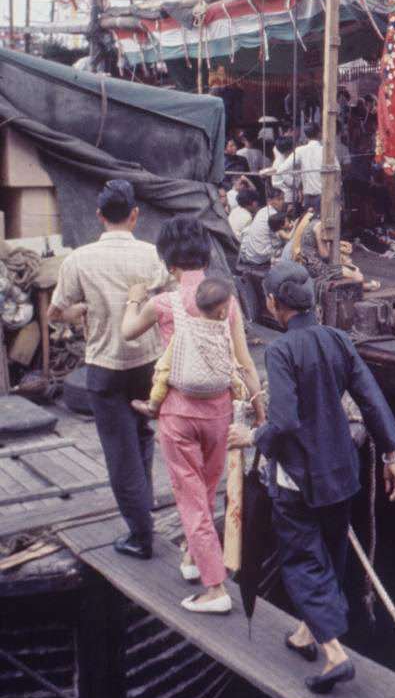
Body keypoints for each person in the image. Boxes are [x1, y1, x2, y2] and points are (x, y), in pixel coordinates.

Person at [227, 263, 395, 694]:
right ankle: (307, 632)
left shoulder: (282, 351)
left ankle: (334, 653)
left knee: (303, 562)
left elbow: (283, 421)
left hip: (299, 479)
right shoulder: (338, 340)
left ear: (273, 302)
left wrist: (251, 435)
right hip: (341, 471)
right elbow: (370, 399)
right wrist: (392, 455)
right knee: (331, 552)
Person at [121, 218, 264, 610]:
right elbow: (245, 359)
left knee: (190, 498)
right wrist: (259, 407)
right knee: (206, 491)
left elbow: (128, 332)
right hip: (220, 413)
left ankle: (215, 587)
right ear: (205, 255)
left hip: (179, 414)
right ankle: (191, 556)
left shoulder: (163, 303)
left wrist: (135, 298)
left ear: (169, 264)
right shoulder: (226, 301)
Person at [48, 180, 168, 560]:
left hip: (105, 366)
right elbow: (165, 300)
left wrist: (78, 311)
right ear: (135, 215)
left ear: (99, 216)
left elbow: (56, 312)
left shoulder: (79, 260)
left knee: (120, 452)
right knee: (142, 434)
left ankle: (140, 534)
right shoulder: (154, 256)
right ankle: (144, 508)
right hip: (147, 364)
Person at [130, 276, 247, 418]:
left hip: (182, 390)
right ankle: (240, 404)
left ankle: (153, 405)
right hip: (218, 392)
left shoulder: (184, 329)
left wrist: (159, 369)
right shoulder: (224, 332)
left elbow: (167, 357)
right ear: (223, 313)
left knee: (163, 377)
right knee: (237, 381)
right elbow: (231, 356)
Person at [297, 126, 323, 213]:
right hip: (322, 194)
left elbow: (284, 168)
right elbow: (337, 170)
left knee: (308, 222)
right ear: (319, 133)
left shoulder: (300, 150)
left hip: (307, 195)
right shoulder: (325, 150)